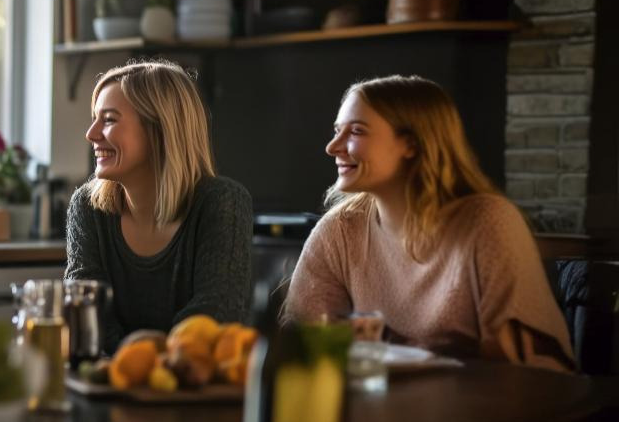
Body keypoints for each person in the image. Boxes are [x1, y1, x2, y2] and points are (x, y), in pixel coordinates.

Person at [284, 75, 575, 372]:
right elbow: (303, 346)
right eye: (337, 131)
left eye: (356, 131)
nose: (333, 147)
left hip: (486, 410)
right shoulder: (339, 231)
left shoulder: (487, 222)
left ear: (411, 144)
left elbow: (522, 375)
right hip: (377, 409)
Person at [64, 60, 253, 352]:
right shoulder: (87, 208)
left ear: (160, 130)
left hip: (194, 387)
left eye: (109, 120)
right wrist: (135, 365)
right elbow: (88, 316)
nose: (91, 133)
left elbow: (215, 314)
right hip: (115, 381)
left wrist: (150, 363)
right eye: (95, 118)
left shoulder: (222, 202)